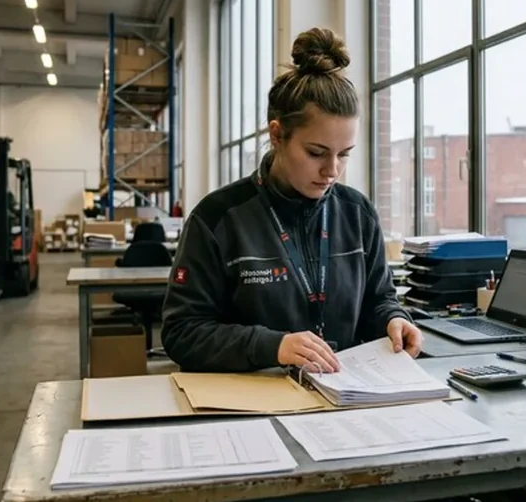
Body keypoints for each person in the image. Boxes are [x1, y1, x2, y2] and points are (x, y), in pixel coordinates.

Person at [161, 27, 424, 373]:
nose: (332, 171)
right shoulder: (218, 218)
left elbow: (379, 299)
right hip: (253, 402)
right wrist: (274, 346)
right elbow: (182, 332)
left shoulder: (357, 214)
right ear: (277, 135)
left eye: (344, 154)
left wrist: (393, 319)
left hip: (344, 398)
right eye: (316, 153)